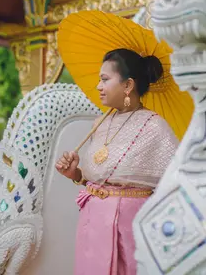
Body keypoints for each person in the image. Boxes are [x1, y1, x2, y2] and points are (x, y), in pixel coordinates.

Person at [56, 48, 179, 275]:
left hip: (130, 226)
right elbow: (100, 177)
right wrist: (76, 174)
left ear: (128, 85)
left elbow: (175, 185)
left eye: (105, 79)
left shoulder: (155, 127)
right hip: (92, 223)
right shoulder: (100, 124)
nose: (98, 86)